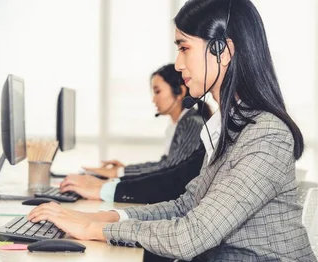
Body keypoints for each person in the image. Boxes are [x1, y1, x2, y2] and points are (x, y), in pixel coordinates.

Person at [27, 0, 317, 261]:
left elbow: (191, 236)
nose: (178, 64)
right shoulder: (228, 127)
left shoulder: (266, 134)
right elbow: (186, 206)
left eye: (184, 48)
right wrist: (106, 216)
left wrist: (95, 227)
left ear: (223, 51)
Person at [60, 64, 209, 202]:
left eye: (157, 91)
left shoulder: (191, 124)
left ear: (180, 91)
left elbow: (169, 171)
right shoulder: (180, 124)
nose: (153, 99)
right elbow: (164, 165)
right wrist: (121, 172)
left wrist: (118, 175)